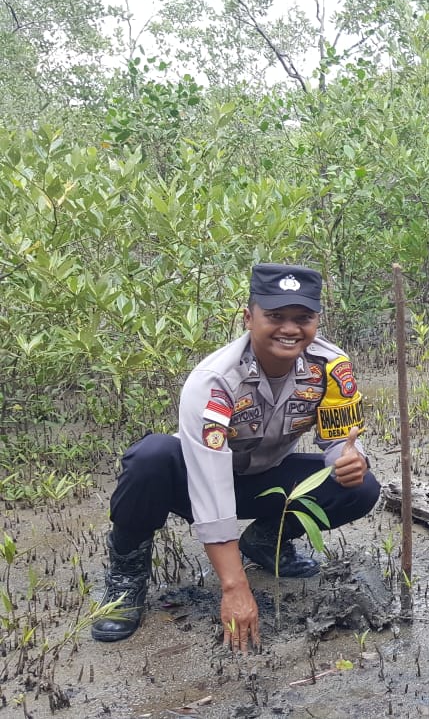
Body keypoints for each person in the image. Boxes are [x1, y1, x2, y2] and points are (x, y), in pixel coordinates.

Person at [92, 264, 379, 651]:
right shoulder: (215, 379)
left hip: (264, 477)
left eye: (303, 318)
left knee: (361, 487)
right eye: (275, 316)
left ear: (317, 321)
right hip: (195, 481)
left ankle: (264, 542)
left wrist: (349, 458)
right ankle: (126, 577)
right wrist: (235, 586)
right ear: (249, 317)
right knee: (151, 456)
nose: (290, 329)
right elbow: (209, 483)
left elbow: (339, 440)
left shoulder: (331, 366)